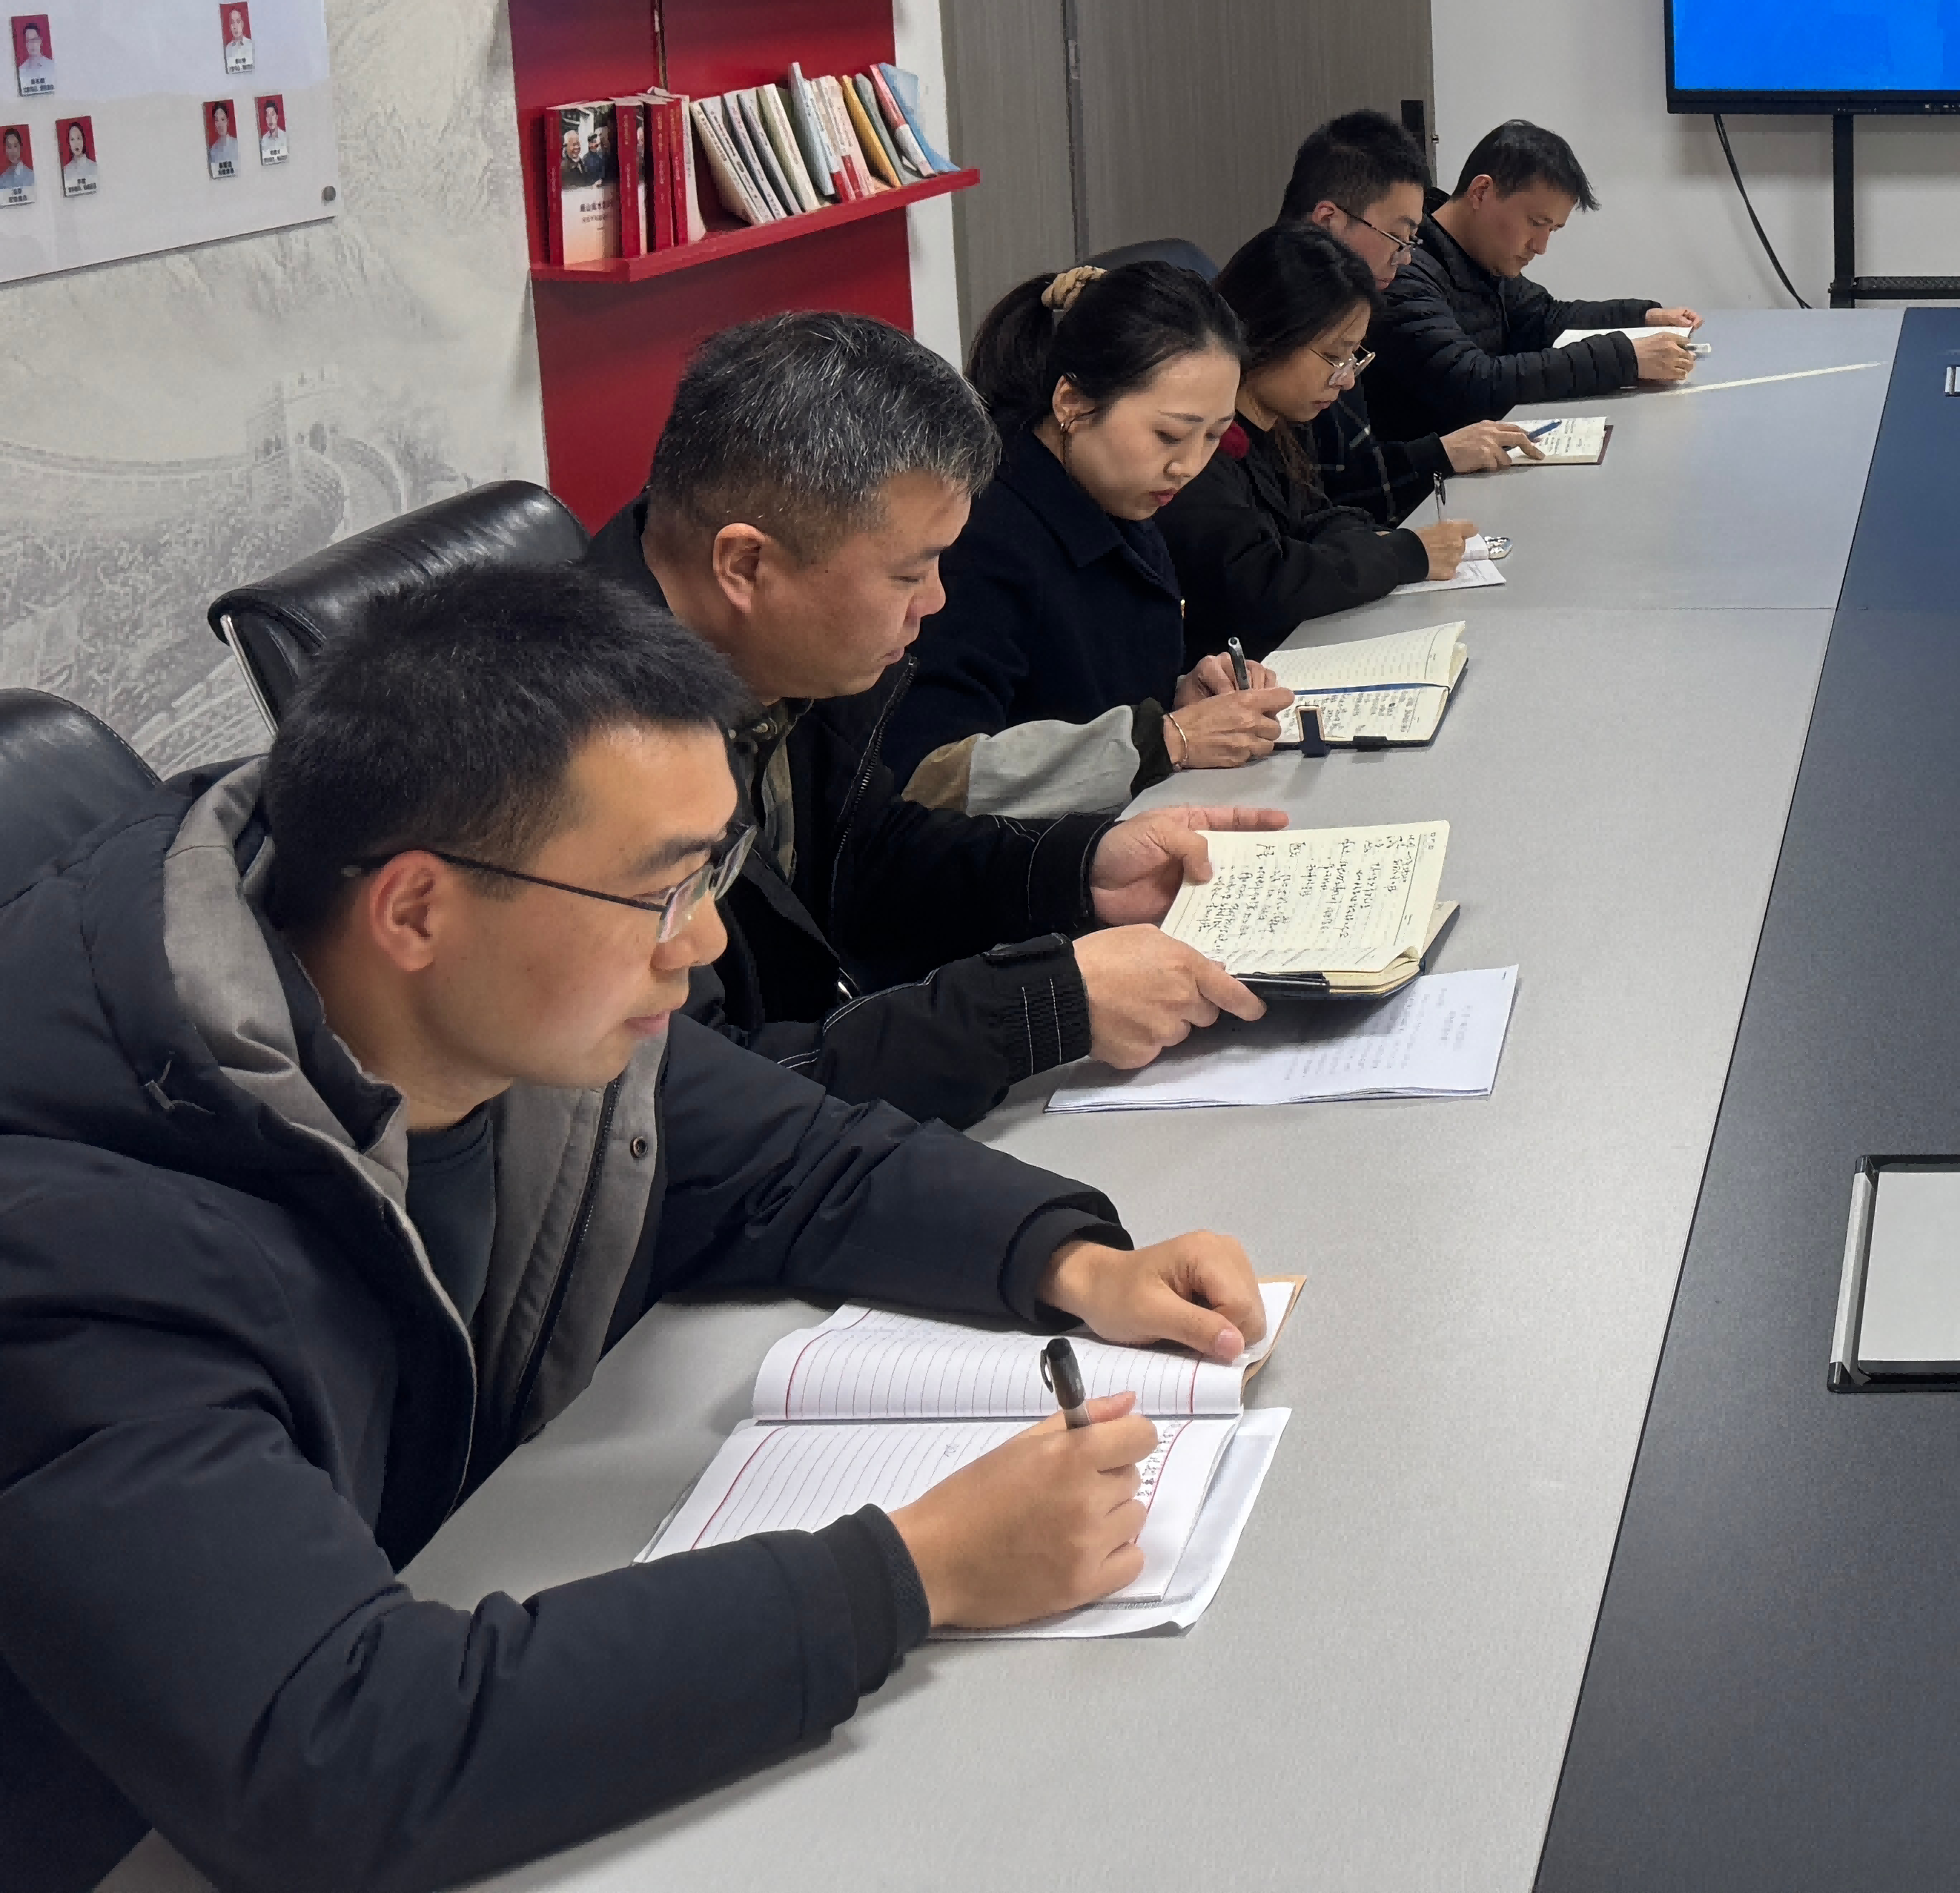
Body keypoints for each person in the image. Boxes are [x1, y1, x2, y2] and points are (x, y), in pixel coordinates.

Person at [0, 570, 1284, 1889]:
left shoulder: (485, 991)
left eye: (713, 865)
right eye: (665, 889)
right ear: (417, 910)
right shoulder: (78, 1237)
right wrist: (921, 1569)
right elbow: (335, 1754)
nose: (707, 939)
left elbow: (791, 1156)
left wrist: (1071, 1259)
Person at [587, 311, 1283, 1126]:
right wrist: (1038, 1009)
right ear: (746, 564)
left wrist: (1080, 868)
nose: (937, 601)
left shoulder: (774, 652)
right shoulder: (588, 769)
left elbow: (870, 857)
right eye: (909, 573)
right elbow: (689, 1106)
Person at [881, 262, 1297, 811]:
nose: (1189, 465)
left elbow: (1083, 692)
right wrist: (1164, 738)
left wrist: (1182, 696)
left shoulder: (1115, 495)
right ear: (1072, 403)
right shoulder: (982, 535)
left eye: (1214, 436)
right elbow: (931, 773)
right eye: (1169, 434)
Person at [1165, 221, 1481, 659]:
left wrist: (1368, 547)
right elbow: (1261, 585)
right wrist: (1402, 555)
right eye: (1334, 356)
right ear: (1264, 333)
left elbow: (1316, 516)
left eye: (1353, 357)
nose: (1346, 380)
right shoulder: (1199, 449)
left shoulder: (1279, 422)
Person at [1358, 119, 1700, 439]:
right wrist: (1625, 358)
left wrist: (1644, 316)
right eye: (1537, 223)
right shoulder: (1401, 271)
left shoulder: (1481, 257)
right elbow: (1472, 383)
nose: (1541, 247)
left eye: (1553, 230)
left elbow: (1545, 317)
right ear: (1481, 192)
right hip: (1434, 477)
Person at [1279, 107, 1543, 519]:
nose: (1404, 260)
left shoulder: (1336, 310)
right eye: (1397, 238)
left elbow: (1352, 471)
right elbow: (1324, 500)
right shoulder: (1281, 330)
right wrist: (1439, 456)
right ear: (1329, 222)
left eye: (1411, 241)